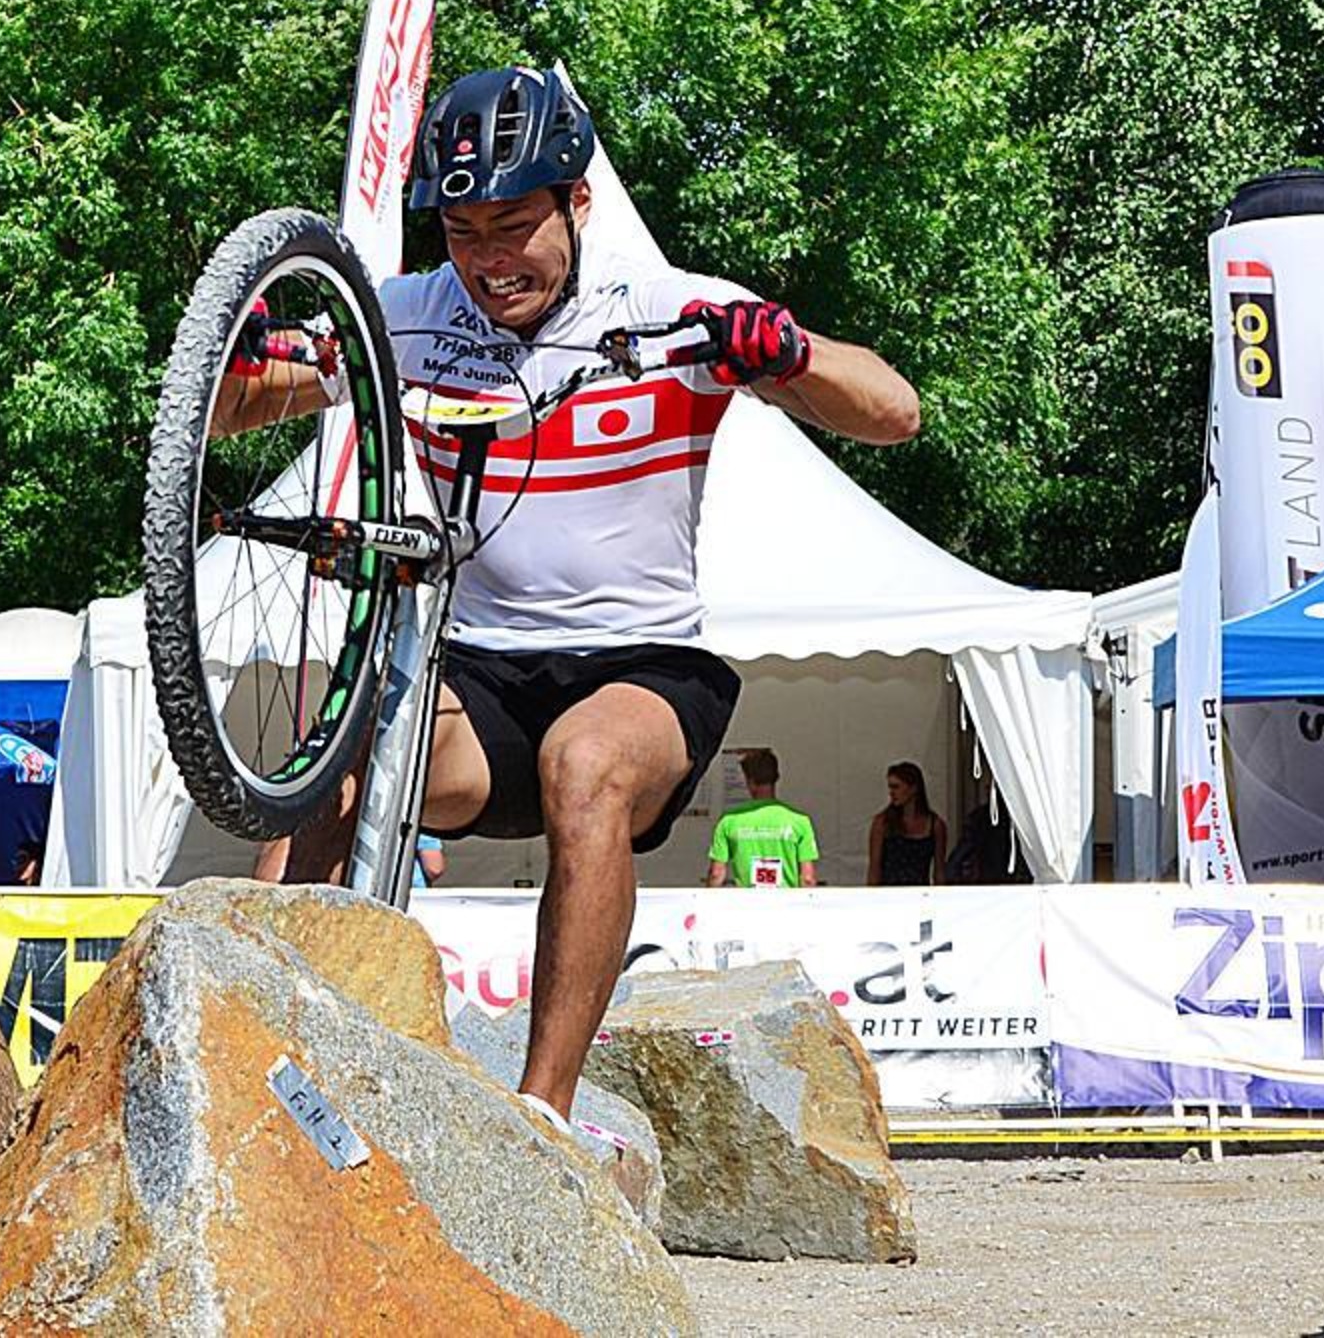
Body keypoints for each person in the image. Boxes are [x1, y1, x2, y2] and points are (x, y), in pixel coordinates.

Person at [230, 66, 919, 1119]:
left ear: (577, 202)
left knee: (585, 763)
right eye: (461, 232)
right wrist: (240, 353)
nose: (488, 260)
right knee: (341, 762)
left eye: (512, 225)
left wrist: (791, 353)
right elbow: (232, 409)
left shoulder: (670, 310)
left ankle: (540, 1113)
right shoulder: (406, 317)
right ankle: (248, 1054)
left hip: (643, 664)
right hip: (483, 670)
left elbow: (892, 411)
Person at [706, 749, 817, 888]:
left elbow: (716, 874)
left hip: (747, 906)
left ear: (751, 782)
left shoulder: (729, 821)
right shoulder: (800, 822)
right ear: (776, 778)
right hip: (787, 906)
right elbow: (808, 878)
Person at [868, 761, 949, 886]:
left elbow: (939, 871)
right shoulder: (882, 823)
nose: (891, 792)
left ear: (913, 788)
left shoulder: (935, 825)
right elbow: (874, 870)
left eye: (896, 787)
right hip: (889, 896)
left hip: (921, 895)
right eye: (890, 787)